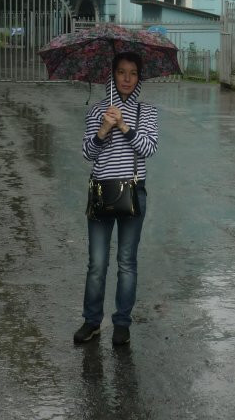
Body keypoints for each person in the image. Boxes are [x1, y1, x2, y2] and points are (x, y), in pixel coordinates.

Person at [73, 51, 158, 346]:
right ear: (112, 75)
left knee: (126, 263)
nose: (126, 78)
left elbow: (148, 148)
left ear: (139, 78)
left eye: (133, 73)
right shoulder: (98, 110)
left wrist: (123, 125)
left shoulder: (146, 112)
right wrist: (105, 127)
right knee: (97, 263)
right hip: (101, 192)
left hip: (133, 193)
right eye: (121, 72)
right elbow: (87, 153)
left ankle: (122, 323)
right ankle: (92, 321)